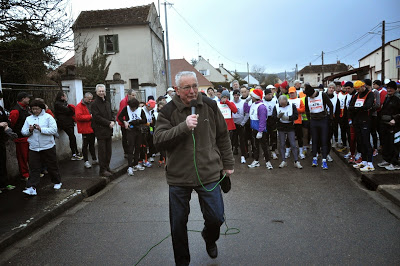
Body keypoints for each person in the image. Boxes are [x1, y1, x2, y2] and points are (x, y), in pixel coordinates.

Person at [153, 71, 234, 265]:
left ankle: (209, 237)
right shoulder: (167, 111)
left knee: (216, 218)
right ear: (177, 90)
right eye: (186, 87)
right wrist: (183, 127)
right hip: (179, 176)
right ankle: (182, 262)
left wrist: (228, 164)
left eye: (194, 86)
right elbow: (158, 140)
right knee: (178, 224)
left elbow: (223, 135)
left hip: (209, 172)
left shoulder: (210, 105)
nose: (192, 91)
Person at [21, 100, 61, 195]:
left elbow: (54, 130)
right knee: (34, 167)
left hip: (47, 146)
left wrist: (41, 129)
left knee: (52, 165)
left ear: (41, 109)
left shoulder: (48, 117)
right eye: (33, 109)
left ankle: (57, 181)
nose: (35, 111)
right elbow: (23, 132)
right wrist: (29, 130)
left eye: (37, 109)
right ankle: (31, 187)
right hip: (34, 147)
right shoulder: (28, 119)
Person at [304, 84, 333, 170]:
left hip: (323, 120)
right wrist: (309, 120)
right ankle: (314, 158)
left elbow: (331, 105)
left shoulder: (322, 95)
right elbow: (306, 110)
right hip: (313, 120)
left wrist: (330, 118)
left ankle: (324, 160)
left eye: (311, 96)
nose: (311, 97)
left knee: (324, 140)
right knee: (315, 140)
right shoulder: (307, 98)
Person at [348, 80, 375, 172]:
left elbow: (367, 106)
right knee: (360, 141)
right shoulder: (357, 95)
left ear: (363, 86)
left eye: (358, 89)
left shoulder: (370, 94)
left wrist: (356, 108)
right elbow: (350, 106)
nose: (357, 91)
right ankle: (363, 161)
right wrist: (357, 108)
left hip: (365, 121)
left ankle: (370, 163)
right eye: (356, 89)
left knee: (366, 141)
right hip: (357, 121)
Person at [118, 98, 147, 175]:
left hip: (138, 130)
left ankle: (136, 163)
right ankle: (130, 166)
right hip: (130, 130)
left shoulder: (140, 110)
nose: (132, 109)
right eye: (131, 108)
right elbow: (119, 117)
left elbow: (145, 120)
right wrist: (124, 122)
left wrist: (137, 121)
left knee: (138, 147)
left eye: (134, 108)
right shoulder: (126, 108)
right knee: (131, 147)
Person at [91, 84, 115, 177]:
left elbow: (112, 112)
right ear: (96, 92)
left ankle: (107, 167)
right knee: (102, 152)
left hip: (109, 130)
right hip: (101, 131)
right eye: (100, 91)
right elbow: (96, 117)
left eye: (103, 91)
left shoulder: (107, 102)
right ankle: (102, 170)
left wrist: (113, 120)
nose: (101, 93)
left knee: (109, 151)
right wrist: (108, 123)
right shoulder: (94, 104)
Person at [272, 95, 302, 169]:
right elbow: (273, 118)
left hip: (290, 127)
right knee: (282, 144)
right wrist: (278, 117)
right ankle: (283, 160)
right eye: (281, 104)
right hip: (281, 127)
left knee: (293, 144)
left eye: (284, 104)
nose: (283, 105)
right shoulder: (276, 106)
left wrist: (289, 118)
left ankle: (296, 161)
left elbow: (296, 116)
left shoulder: (292, 105)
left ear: (286, 101)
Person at [247, 89, 273, 169]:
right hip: (254, 129)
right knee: (255, 146)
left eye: (252, 96)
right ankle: (256, 160)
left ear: (256, 97)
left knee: (264, 146)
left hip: (260, 130)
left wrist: (260, 131)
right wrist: (245, 102)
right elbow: (247, 110)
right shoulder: (254, 104)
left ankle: (268, 162)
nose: (251, 97)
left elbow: (262, 120)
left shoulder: (261, 106)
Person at [377, 81, 400, 170]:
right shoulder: (387, 98)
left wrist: (395, 119)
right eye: (388, 88)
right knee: (386, 143)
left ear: (395, 89)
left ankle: (395, 163)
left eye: (391, 88)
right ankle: (387, 160)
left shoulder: (397, 99)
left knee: (394, 144)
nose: (389, 90)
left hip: (395, 126)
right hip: (385, 124)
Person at [9, 92, 32, 180]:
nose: (29, 99)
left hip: (28, 136)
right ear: (23, 99)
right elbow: (12, 124)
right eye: (27, 98)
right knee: (23, 157)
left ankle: (31, 172)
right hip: (20, 137)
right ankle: (25, 174)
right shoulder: (15, 111)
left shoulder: (26, 108)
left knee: (30, 156)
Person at [54, 91, 82, 160]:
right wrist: (70, 109)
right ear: (62, 97)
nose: (66, 97)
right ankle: (74, 153)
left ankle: (76, 152)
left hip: (69, 122)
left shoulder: (64, 103)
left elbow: (71, 111)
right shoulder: (58, 104)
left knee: (72, 137)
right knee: (72, 137)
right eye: (65, 96)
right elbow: (69, 111)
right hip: (64, 123)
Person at [75, 92, 98, 169]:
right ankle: (86, 161)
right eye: (89, 99)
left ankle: (94, 159)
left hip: (92, 128)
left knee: (92, 144)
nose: (90, 100)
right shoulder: (79, 106)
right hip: (85, 128)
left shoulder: (91, 104)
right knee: (85, 145)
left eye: (91, 99)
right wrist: (90, 117)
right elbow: (78, 117)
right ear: (85, 98)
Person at [0, 91, 17, 192]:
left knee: (3, 161)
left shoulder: (1, 109)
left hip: (2, 139)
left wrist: (7, 124)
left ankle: (4, 183)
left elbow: (7, 119)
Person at [116, 89, 137, 158]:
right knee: (125, 138)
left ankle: (130, 152)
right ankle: (126, 152)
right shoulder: (124, 101)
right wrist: (125, 122)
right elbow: (122, 113)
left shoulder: (131, 101)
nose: (134, 97)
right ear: (129, 95)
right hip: (124, 123)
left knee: (130, 138)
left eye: (135, 95)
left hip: (130, 122)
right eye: (133, 95)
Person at [288, 87, 306, 159]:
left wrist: (295, 109)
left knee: (299, 137)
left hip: (298, 121)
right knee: (288, 138)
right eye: (290, 93)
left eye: (293, 93)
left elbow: (303, 109)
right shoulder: (287, 100)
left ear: (296, 92)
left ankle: (301, 152)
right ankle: (287, 151)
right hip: (289, 122)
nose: (292, 94)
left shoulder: (299, 100)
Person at [232, 89, 247, 163]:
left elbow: (247, 114)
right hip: (233, 124)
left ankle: (243, 155)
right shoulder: (231, 102)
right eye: (235, 95)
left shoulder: (243, 103)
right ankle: (234, 151)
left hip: (241, 124)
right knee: (233, 140)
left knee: (242, 140)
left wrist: (243, 123)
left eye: (238, 95)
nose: (236, 96)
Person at [263, 88, 278, 160]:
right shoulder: (262, 101)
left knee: (273, 136)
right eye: (268, 94)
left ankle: (273, 150)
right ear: (265, 95)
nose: (269, 96)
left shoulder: (275, 100)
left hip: (272, 119)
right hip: (265, 120)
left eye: (270, 94)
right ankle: (266, 152)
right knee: (265, 136)